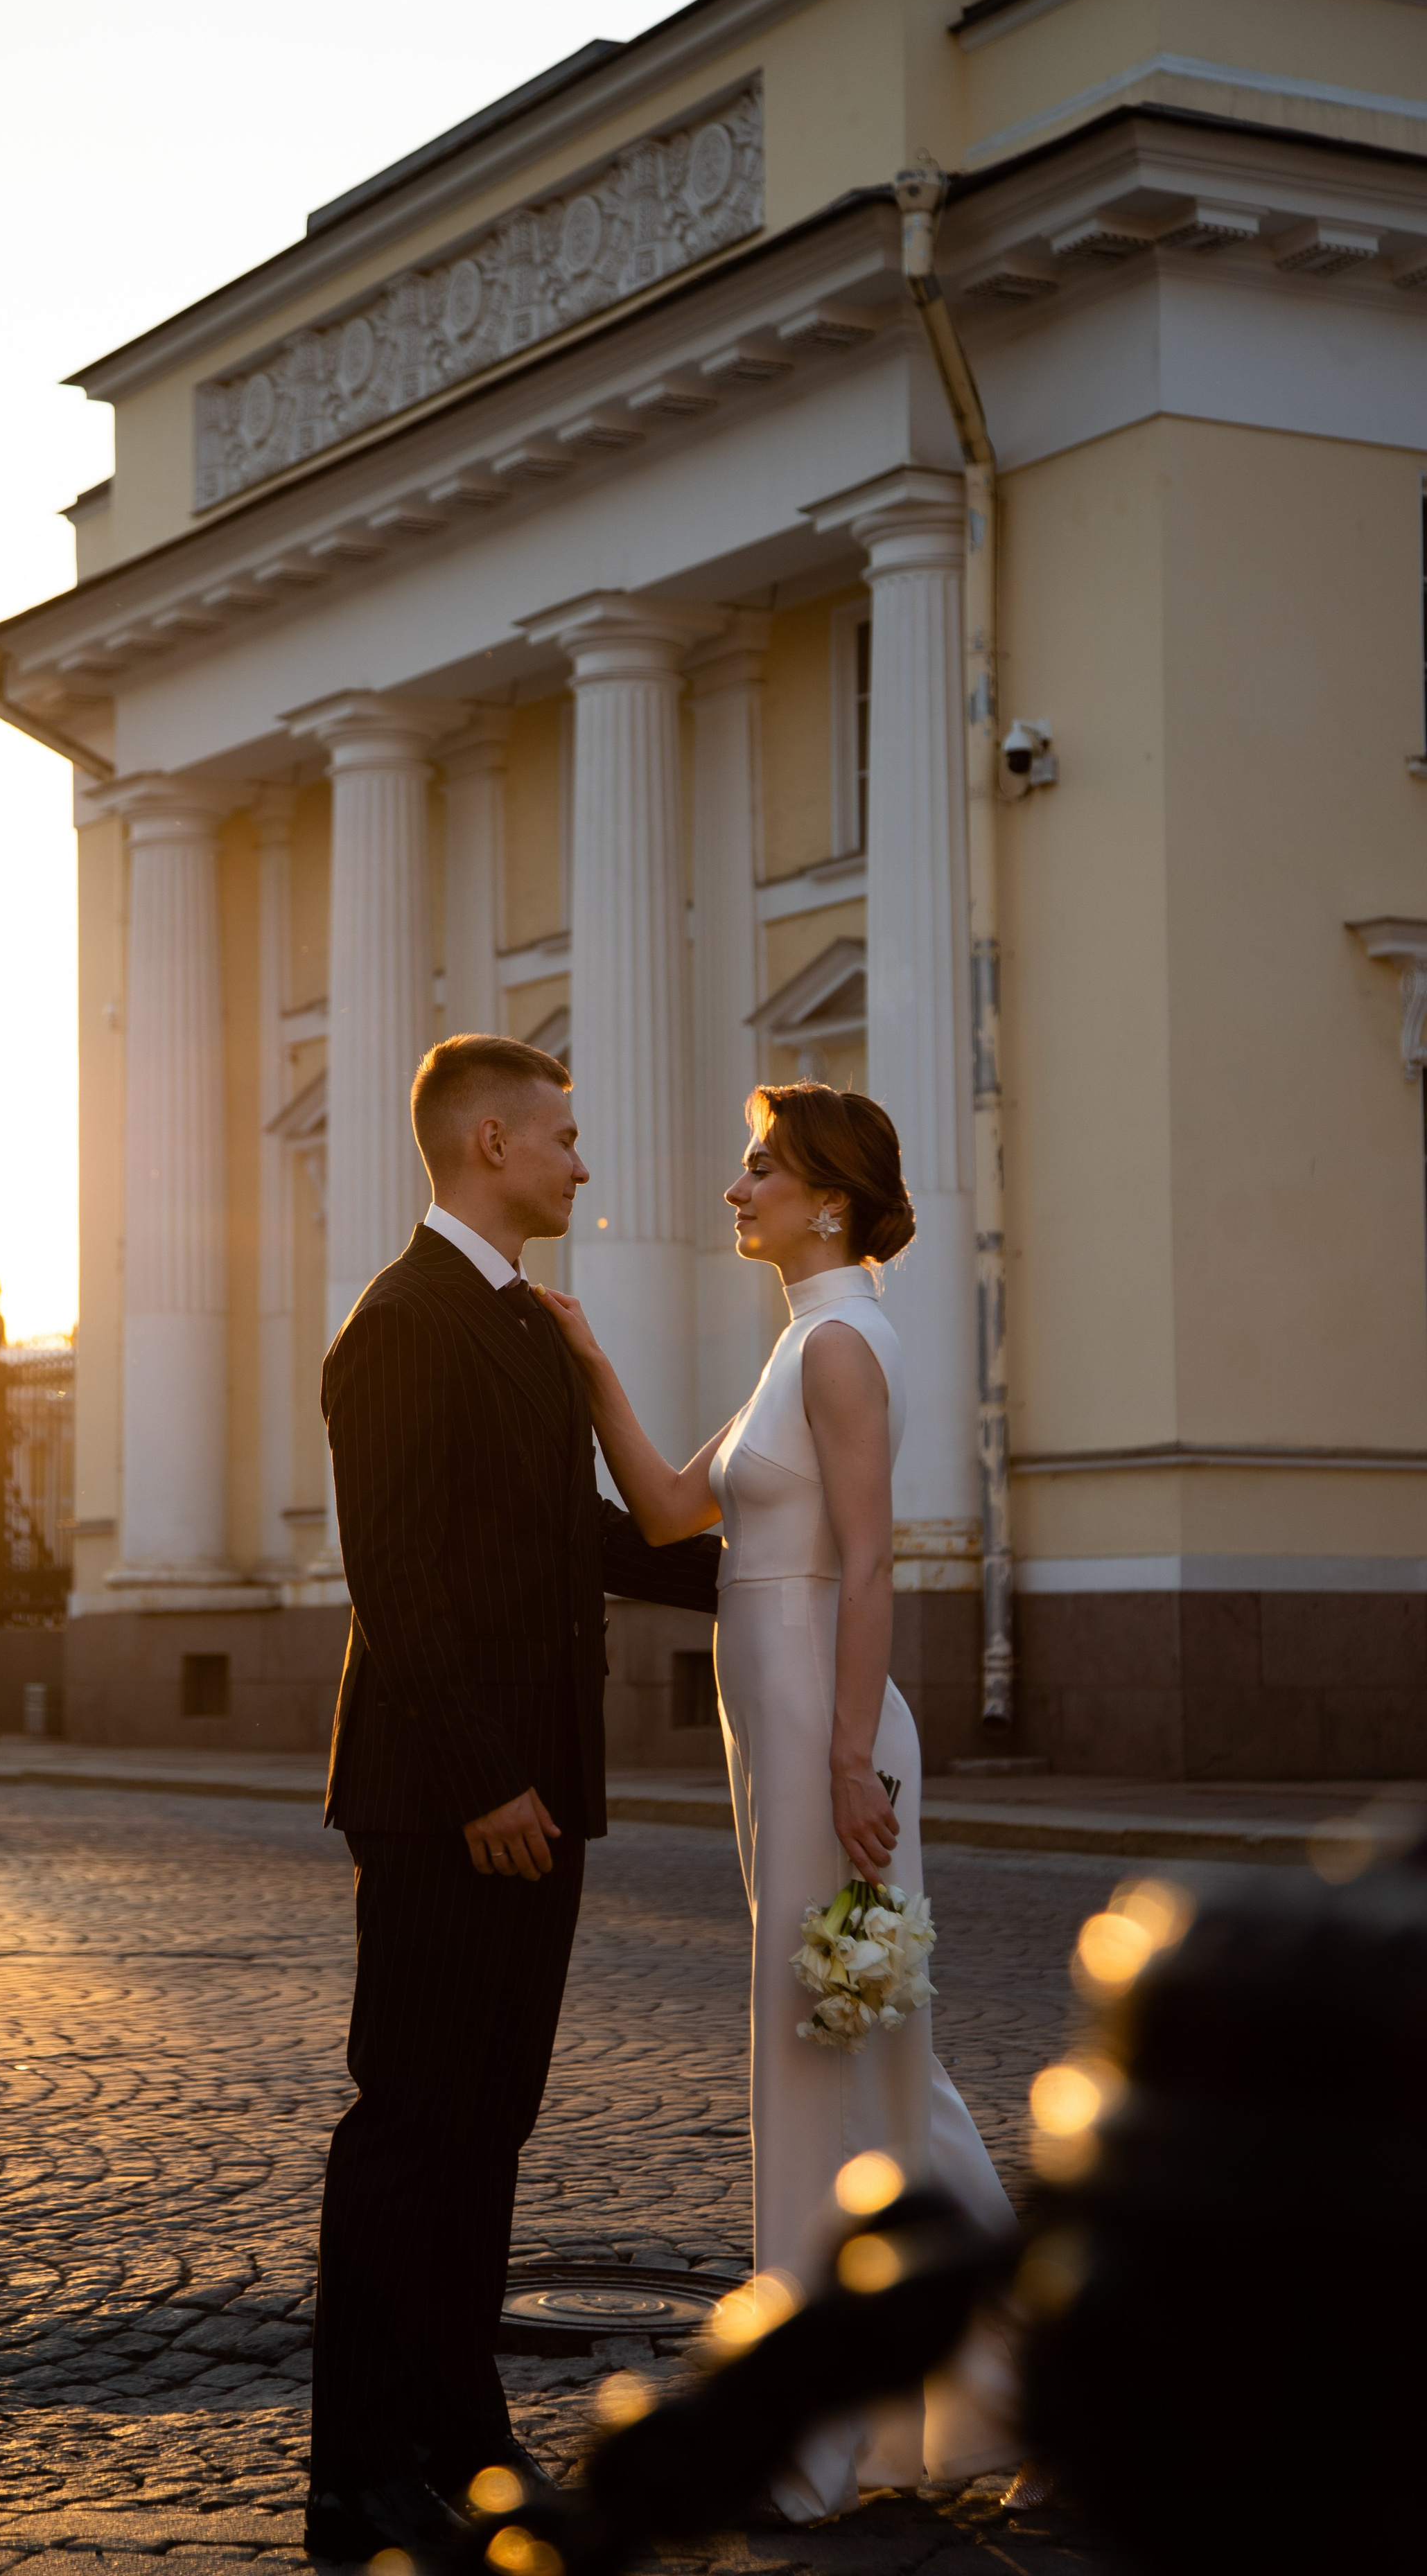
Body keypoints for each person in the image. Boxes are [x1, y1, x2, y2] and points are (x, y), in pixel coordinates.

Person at [539, 1082, 1020, 2522]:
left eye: (762, 1169)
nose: (736, 1187)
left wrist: (847, 1762)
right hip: (798, 1738)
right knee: (876, 2057)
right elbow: (675, 1513)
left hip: (830, 1741)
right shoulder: (802, 1341)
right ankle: (1018, 2364)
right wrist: (586, 1363)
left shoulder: (841, 1350)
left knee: (826, 2055)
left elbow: (869, 1567)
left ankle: (826, 2438)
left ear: (827, 1199)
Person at [306, 1034, 721, 2566]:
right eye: (560, 1137)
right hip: (445, 1798)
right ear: (488, 1143)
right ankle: (352, 2475)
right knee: (410, 2128)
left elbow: (579, 1538)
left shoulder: (526, 1329)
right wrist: (483, 1778)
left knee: (487, 2133)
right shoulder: (401, 1323)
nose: (580, 1162)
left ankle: (459, 2438)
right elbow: (393, 1578)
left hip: (540, 1791)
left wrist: (771, 1590)